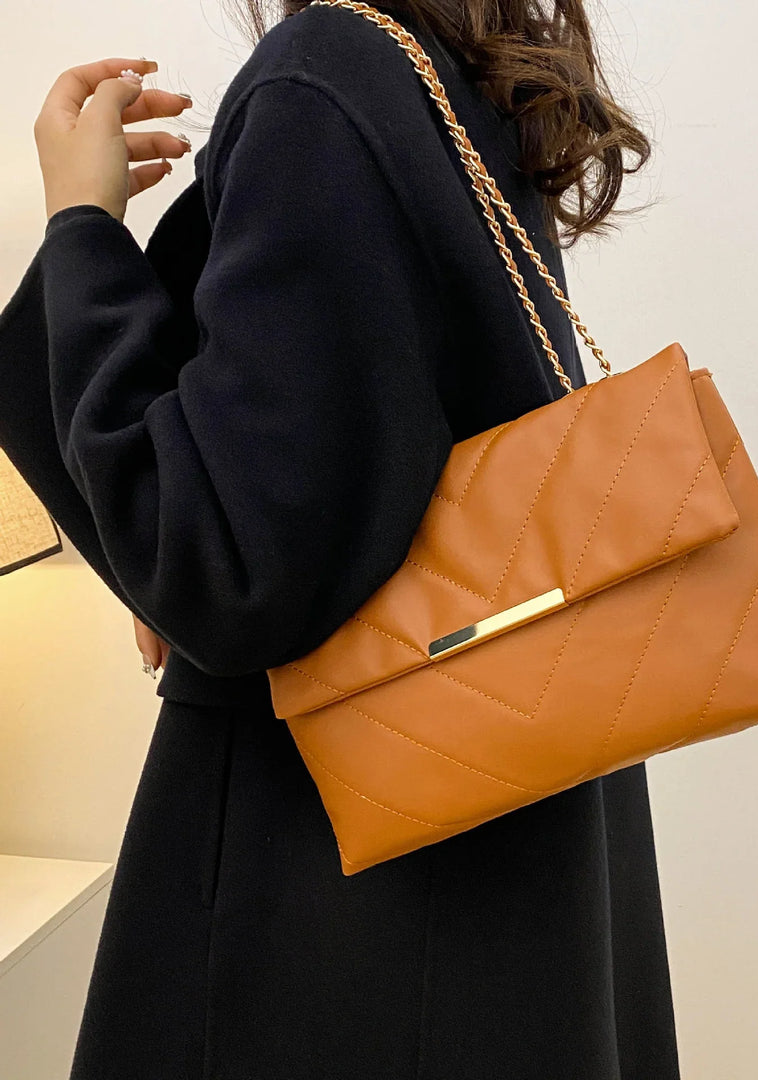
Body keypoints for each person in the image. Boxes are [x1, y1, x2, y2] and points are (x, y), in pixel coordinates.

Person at [0, 1, 680, 1076]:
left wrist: (82, 227)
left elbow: (226, 570)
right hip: (497, 862)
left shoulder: (323, 79)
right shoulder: (451, 76)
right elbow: (325, 478)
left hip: (337, 904)